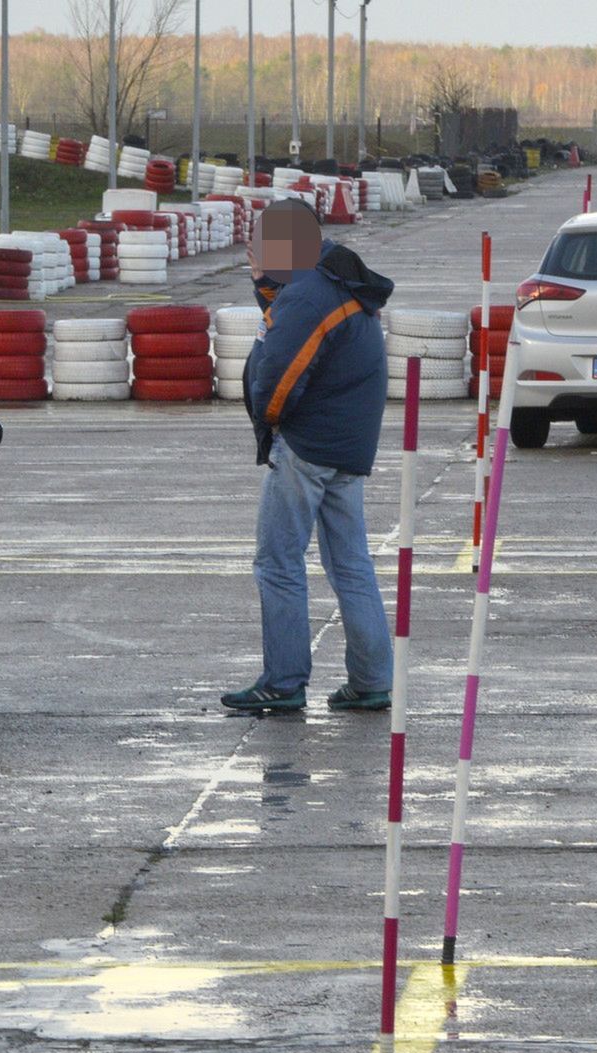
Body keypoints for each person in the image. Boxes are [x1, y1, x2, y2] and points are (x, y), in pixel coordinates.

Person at [220, 198, 396, 715]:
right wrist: (266, 285)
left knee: (277, 563)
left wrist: (269, 426)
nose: (252, 251)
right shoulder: (335, 278)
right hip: (348, 445)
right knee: (351, 565)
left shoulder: (308, 295)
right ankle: (371, 680)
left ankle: (283, 680)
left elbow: (278, 373)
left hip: (308, 446)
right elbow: (295, 329)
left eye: (260, 243)